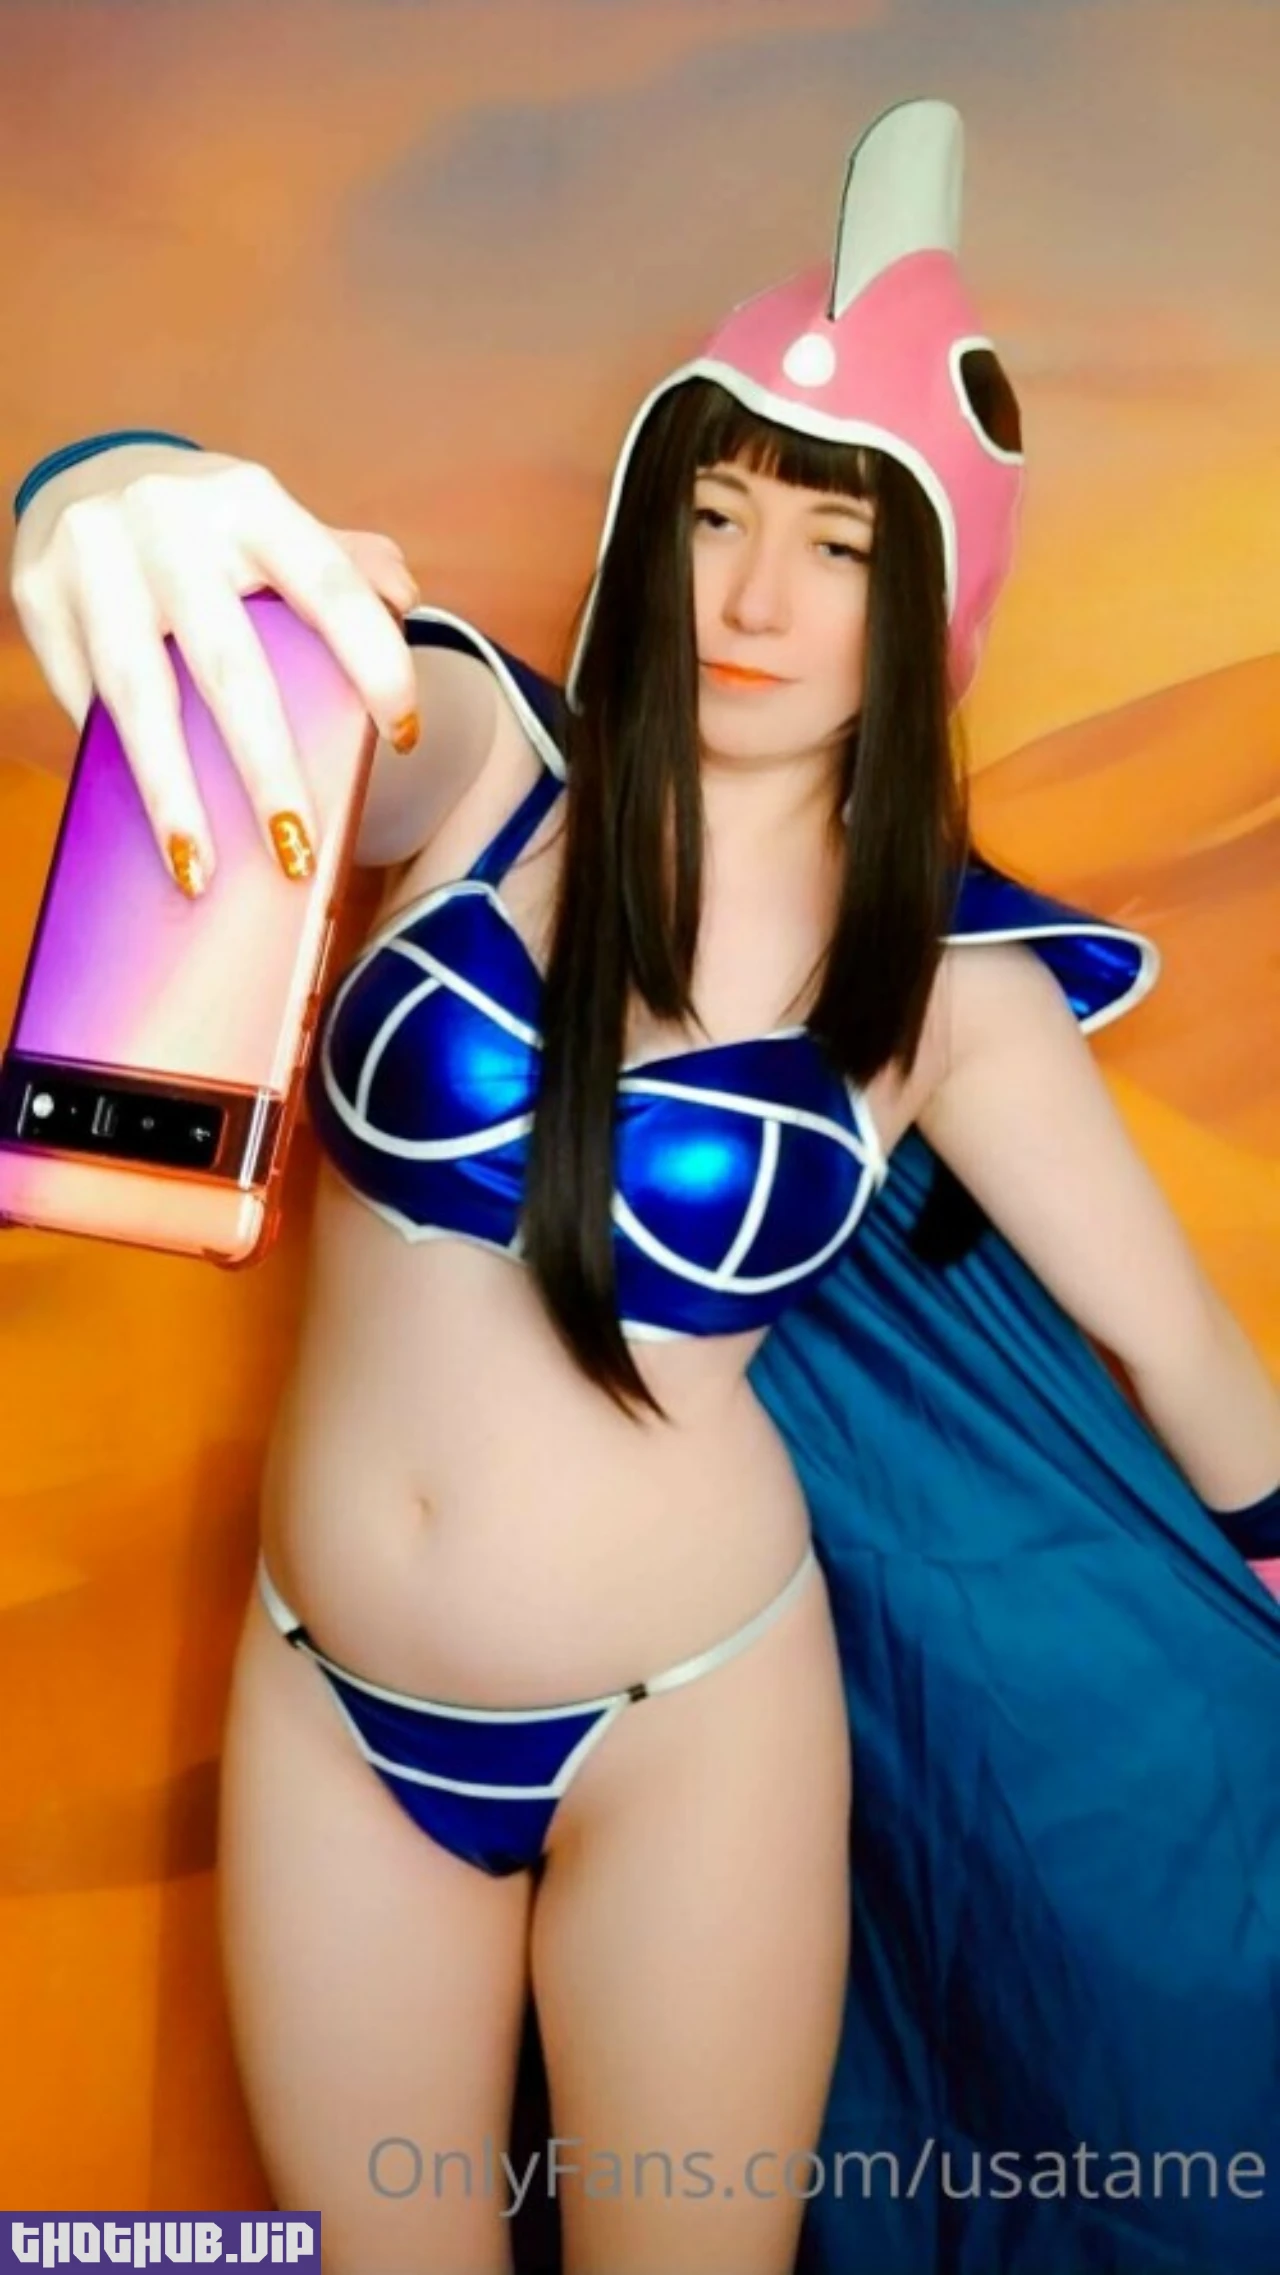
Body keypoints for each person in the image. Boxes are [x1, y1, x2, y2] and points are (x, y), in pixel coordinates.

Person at [8, 94, 1280, 2275]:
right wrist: (117, 495)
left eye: (842, 545)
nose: (755, 594)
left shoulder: (947, 984)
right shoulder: (477, 764)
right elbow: (286, 645)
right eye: (709, 512)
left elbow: (1175, 1347)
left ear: (933, 604)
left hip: (691, 1731)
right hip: (328, 1701)